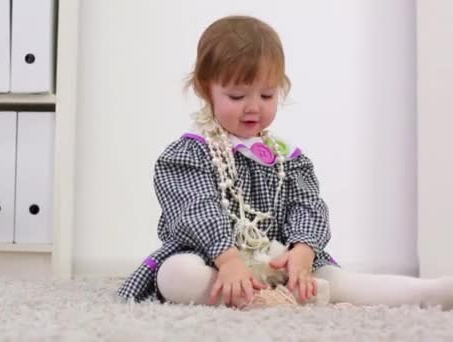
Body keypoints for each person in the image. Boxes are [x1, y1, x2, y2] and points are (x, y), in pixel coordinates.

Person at [117, 15, 453, 309]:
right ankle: (266, 300)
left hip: (280, 259)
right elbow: (196, 209)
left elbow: (307, 203)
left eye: (266, 95)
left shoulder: (286, 157)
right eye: (237, 96)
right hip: (215, 259)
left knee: (337, 279)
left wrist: (303, 251)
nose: (253, 107)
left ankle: (428, 292)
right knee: (176, 275)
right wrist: (230, 259)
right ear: (207, 90)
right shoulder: (190, 154)